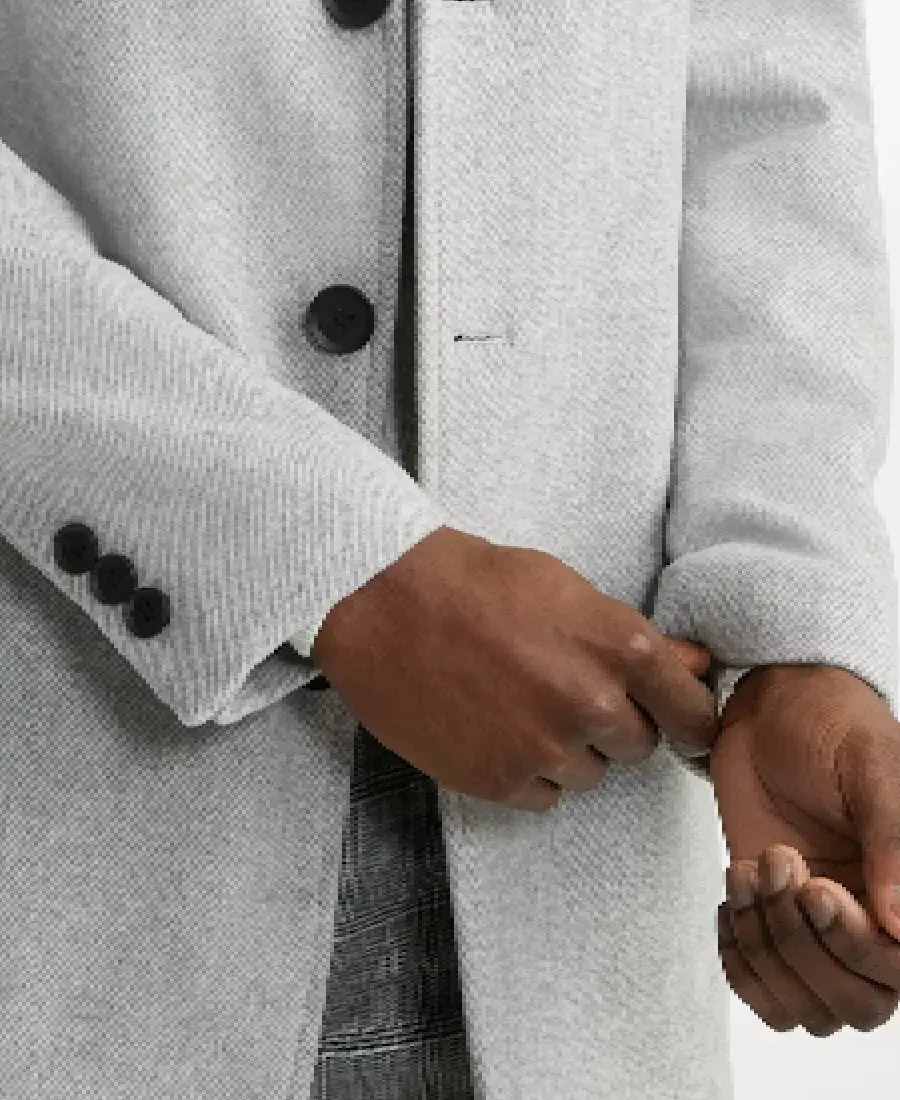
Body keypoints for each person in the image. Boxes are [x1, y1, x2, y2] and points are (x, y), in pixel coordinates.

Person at [1, 1, 899, 1099]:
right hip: (69, 832)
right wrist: (332, 564)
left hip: (582, 913)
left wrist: (789, 623)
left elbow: (767, 95)